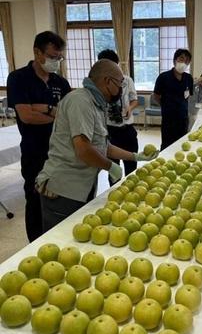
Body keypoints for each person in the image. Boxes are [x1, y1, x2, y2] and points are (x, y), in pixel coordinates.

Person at [36, 59, 158, 232]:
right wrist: (111, 166)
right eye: (120, 84)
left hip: (81, 186)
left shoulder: (97, 104)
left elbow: (103, 146)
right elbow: (83, 149)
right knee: (60, 239)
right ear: (107, 81)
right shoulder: (81, 101)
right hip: (63, 188)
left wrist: (134, 156)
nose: (122, 89)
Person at [6, 31, 71, 242]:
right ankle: (35, 245)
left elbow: (69, 116)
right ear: (37, 52)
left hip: (60, 153)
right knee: (35, 201)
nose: (56, 62)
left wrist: (46, 109)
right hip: (34, 151)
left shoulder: (60, 83)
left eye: (59, 58)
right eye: (53, 57)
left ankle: (58, 241)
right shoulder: (18, 78)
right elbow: (26, 116)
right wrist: (55, 113)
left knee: (60, 199)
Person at [97, 49, 139, 184]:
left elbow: (134, 99)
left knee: (131, 166)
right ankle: (114, 192)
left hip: (127, 129)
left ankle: (132, 190)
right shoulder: (97, 85)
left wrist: (129, 108)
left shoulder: (127, 80)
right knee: (113, 169)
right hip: (110, 131)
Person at [153, 49, 193, 150]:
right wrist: (166, 105)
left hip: (183, 118)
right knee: (167, 145)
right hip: (168, 119)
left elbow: (188, 96)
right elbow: (156, 96)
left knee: (181, 145)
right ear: (175, 60)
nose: (184, 62)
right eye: (181, 59)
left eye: (187, 61)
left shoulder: (189, 78)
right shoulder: (163, 77)